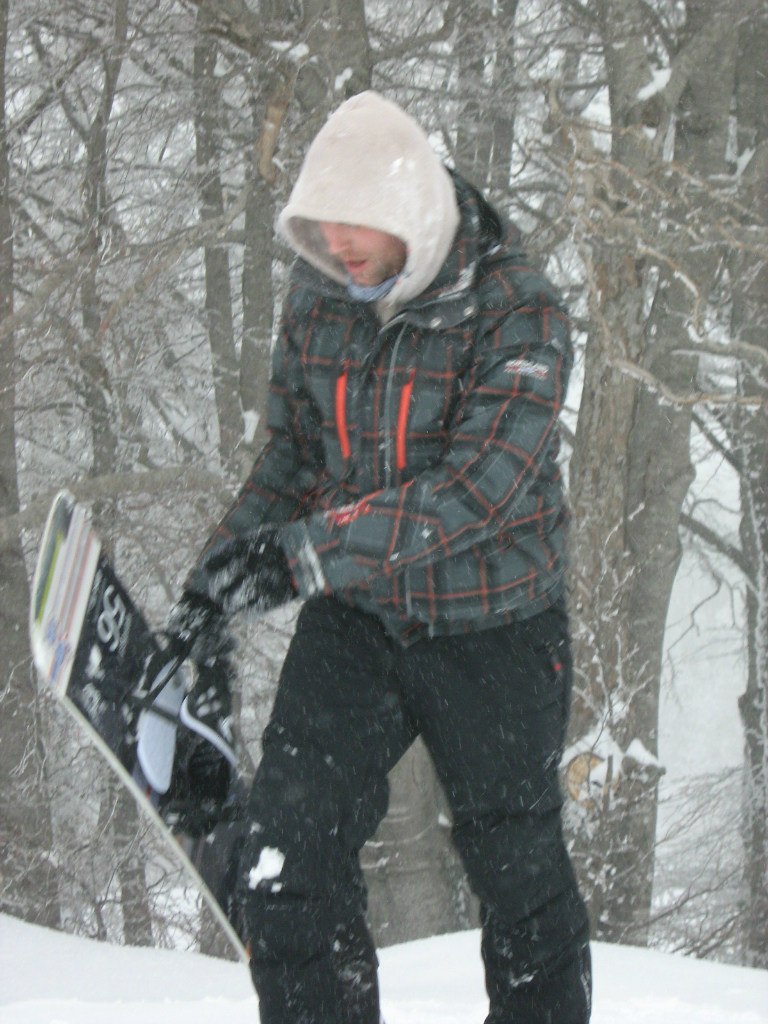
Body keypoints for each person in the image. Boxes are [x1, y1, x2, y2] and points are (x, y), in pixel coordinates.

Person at [164, 90, 591, 1024]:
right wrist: (218, 579)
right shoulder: (321, 297)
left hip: (495, 628)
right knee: (283, 864)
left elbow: (479, 490)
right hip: (360, 621)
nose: (338, 249)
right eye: (322, 231)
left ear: (412, 215)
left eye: (355, 230)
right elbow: (291, 459)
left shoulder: (519, 312)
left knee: (517, 877)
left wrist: (303, 559)